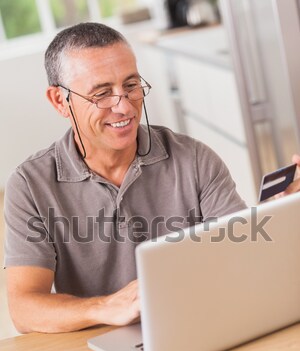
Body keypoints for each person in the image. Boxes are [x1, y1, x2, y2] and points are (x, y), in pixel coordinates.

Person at [4, 23, 299, 334]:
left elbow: (246, 261)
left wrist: (283, 217)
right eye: (102, 94)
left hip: (198, 326)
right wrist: (106, 307)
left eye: (130, 85)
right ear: (59, 101)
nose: (124, 106)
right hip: (100, 342)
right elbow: (24, 309)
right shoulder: (30, 185)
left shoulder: (194, 159)